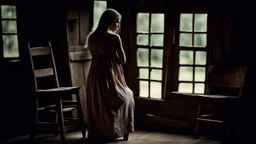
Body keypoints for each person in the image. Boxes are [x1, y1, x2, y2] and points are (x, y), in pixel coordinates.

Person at [85, 8, 135, 142]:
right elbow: (123, 60)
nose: (118, 25)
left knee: (99, 103)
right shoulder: (114, 38)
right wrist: (113, 59)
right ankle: (117, 130)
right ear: (109, 22)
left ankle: (101, 131)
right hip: (108, 74)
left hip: (94, 75)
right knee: (127, 96)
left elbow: (95, 56)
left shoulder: (92, 37)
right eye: (117, 22)